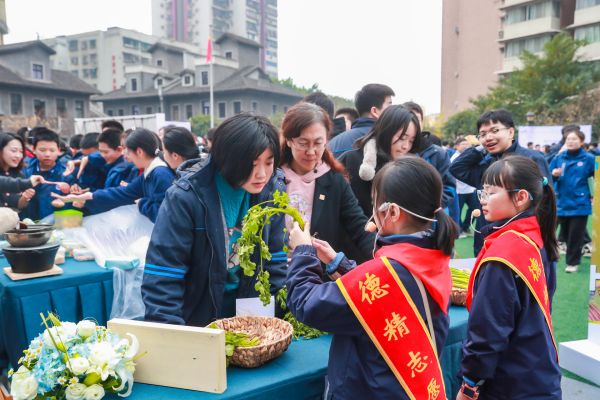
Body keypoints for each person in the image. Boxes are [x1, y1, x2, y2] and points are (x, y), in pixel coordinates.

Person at [286, 156, 456, 399]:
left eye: (376, 203)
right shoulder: (433, 256)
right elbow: (384, 298)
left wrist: (303, 252)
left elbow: (307, 304)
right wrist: (339, 264)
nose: (373, 211)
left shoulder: (387, 272)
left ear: (393, 212)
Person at [141, 113, 287, 326]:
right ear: (226, 159)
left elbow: (275, 261)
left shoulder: (272, 192)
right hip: (198, 321)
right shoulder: (186, 197)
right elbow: (163, 277)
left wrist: (270, 324)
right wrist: (174, 338)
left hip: (250, 319)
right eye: (252, 164)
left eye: (269, 162)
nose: (262, 174)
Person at [457, 155, 561, 400]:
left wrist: (470, 384)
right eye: (483, 192)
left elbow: (488, 330)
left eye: (491, 192)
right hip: (537, 367)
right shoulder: (538, 234)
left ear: (521, 197)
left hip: (510, 379)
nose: (483, 200)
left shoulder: (505, 252)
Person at [280, 102, 374, 264]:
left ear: (326, 140)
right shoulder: (272, 177)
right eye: (303, 143)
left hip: (317, 274)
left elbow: (358, 226)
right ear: (289, 140)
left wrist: (384, 254)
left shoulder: (334, 180)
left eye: (318, 143)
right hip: (277, 272)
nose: (311, 152)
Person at [449, 109, 552, 255]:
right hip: (486, 238)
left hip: (521, 241)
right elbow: (456, 168)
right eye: (483, 134)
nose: (488, 137)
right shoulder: (486, 163)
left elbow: (544, 202)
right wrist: (481, 149)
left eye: (495, 130)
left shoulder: (532, 159)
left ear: (510, 132)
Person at [61, 128, 174, 223]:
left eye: (127, 151)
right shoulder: (150, 173)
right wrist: (88, 196)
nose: (125, 155)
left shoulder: (161, 174)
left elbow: (165, 215)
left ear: (139, 152)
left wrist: (142, 203)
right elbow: (121, 193)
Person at [340, 105, 422, 216]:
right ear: (386, 131)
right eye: (402, 138)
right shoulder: (351, 159)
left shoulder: (410, 170)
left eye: (411, 141)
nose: (406, 146)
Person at [549, 128, 595, 273]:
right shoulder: (559, 158)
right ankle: (574, 252)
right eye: (568, 139)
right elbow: (549, 177)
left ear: (581, 142)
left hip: (580, 204)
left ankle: (573, 263)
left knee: (576, 234)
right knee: (566, 234)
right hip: (562, 202)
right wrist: (554, 174)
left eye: (574, 139)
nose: (571, 141)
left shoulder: (589, 159)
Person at [403, 101, 456, 209]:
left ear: (422, 122)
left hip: (430, 218)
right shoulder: (395, 149)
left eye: (417, 119)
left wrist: (430, 208)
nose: (413, 123)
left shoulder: (438, 153)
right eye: (409, 118)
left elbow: (449, 187)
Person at [329, 84, 395, 158]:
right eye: (389, 105)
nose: (393, 110)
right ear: (374, 111)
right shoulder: (385, 141)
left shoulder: (333, 143)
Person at [22, 128, 73, 221]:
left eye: (52, 150)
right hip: (28, 226)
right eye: (42, 150)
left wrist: (64, 204)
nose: (47, 154)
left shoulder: (67, 173)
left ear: (58, 150)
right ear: (34, 149)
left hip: (55, 227)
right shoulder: (24, 170)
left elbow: (75, 203)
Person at [0, 133, 36, 210]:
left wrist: (25, 197)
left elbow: (18, 205)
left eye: (21, 151)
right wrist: (28, 183)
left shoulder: (20, 174)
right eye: (14, 151)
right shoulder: (20, 182)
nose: (18, 155)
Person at [451, 137, 477, 237]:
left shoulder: (470, 156)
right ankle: (459, 230)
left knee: (474, 209)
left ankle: (466, 227)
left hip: (471, 189)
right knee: (458, 212)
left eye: (467, 144)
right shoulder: (454, 158)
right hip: (459, 191)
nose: (466, 146)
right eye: (463, 144)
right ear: (457, 146)